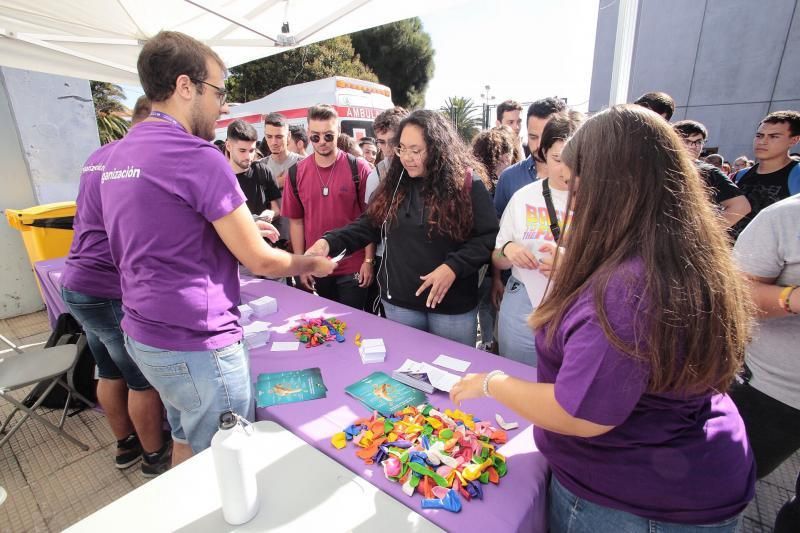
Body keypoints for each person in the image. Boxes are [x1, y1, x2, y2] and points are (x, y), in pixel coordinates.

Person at [451, 105, 755, 531]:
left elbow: (580, 413)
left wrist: (492, 383)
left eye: (576, 181)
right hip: (690, 468)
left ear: (612, 186)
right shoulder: (678, 247)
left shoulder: (625, 287)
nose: (572, 195)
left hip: (634, 500)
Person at [100, 31, 335, 463]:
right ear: (185, 86)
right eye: (218, 91)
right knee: (228, 462)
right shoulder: (197, 155)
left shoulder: (116, 154)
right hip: (197, 340)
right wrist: (311, 263)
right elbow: (261, 261)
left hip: (144, 331)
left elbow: (153, 231)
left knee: (188, 435)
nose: (222, 105)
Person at [306, 110, 499, 346]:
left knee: (452, 377)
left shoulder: (467, 183)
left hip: (452, 306)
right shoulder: (396, 181)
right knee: (405, 375)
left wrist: (453, 267)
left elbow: (488, 237)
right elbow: (368, 224)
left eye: (415, 150)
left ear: (438, 148)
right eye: (402, 149)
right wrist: (328, 242)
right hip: (400, 304)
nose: (407, 157)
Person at [61, 105, 168, 477]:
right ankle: (155, 455)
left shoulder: (99, 157)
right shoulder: (135, 161)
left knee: (108, 370)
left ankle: (125, 444)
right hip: (106, 287)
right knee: (142, 379)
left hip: (77, 281)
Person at [730, 194, 800, 533]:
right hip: (772, 393)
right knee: (727, 480)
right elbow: (735, 296)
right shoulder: (786, 217)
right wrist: (791, 297)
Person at [493, 111, 582, 365]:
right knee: (516, 376)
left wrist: (572, 265)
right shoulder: (523, 197)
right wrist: (508, 250)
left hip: (573, 305)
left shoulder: (599, 202)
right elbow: (497, 258)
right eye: (557, 158)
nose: (565, 169)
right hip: (522, 303)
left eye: (575, 160)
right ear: (544, 152)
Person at [281, 104, 374, 309]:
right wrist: (301, 265)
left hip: (353, 265)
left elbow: (371, 219)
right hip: (317, 265)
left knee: (355, 328)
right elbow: (296, 222)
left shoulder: (358, 168)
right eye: (315, 137)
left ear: (339, 132)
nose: (322, 142)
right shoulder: (296, 173)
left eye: (329, 136)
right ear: (307, 133)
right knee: (326, 328)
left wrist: (368, 261)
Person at [471, 127, 517, 351]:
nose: (509, 159)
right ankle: (491, 343)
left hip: (479, 259)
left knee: (483, 305)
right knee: (493, 304)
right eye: (505, 154)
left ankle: (488, 342)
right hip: (493, 260)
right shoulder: (496, 186)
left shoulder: (472, 181)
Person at [363, 106, 409, 316]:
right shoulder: (377, 174)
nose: (388, 149)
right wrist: (369, 261)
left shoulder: (424, 168)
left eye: (392, 141)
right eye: (381, 142)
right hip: (386, 257)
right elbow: (368, 224)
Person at [731, 110, 800, 238]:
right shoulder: (739, 176)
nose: (762, 141)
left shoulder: (797, 175)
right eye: (759, 135)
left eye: (774, 136)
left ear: (794, 140)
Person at [494, 97, 566, 218]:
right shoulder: (508, 178)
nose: (539, 145)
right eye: (533, 137)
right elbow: (497, 227)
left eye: (546, 138)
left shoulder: (578, 180)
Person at [672, 120, 751, 228]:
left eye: (698, 142)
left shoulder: (708, 172)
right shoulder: (658, 167)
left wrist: (707, 234)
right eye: (686, 141)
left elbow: (741, 206)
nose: (694, 146)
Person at [225, 119, 281, 217]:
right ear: (229, 146)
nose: (248, 156)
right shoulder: (220, 178)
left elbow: (276, 208)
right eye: (242, 151)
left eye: (251, 150)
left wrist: (269, 214)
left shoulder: (262, 170)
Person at [257, 112, 303, 190]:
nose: (274, 142)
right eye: (269, 136)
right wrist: (276, 183)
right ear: (265, 136)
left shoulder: (303, 163)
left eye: (279, 137)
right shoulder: (259, 167)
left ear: (288, 136)